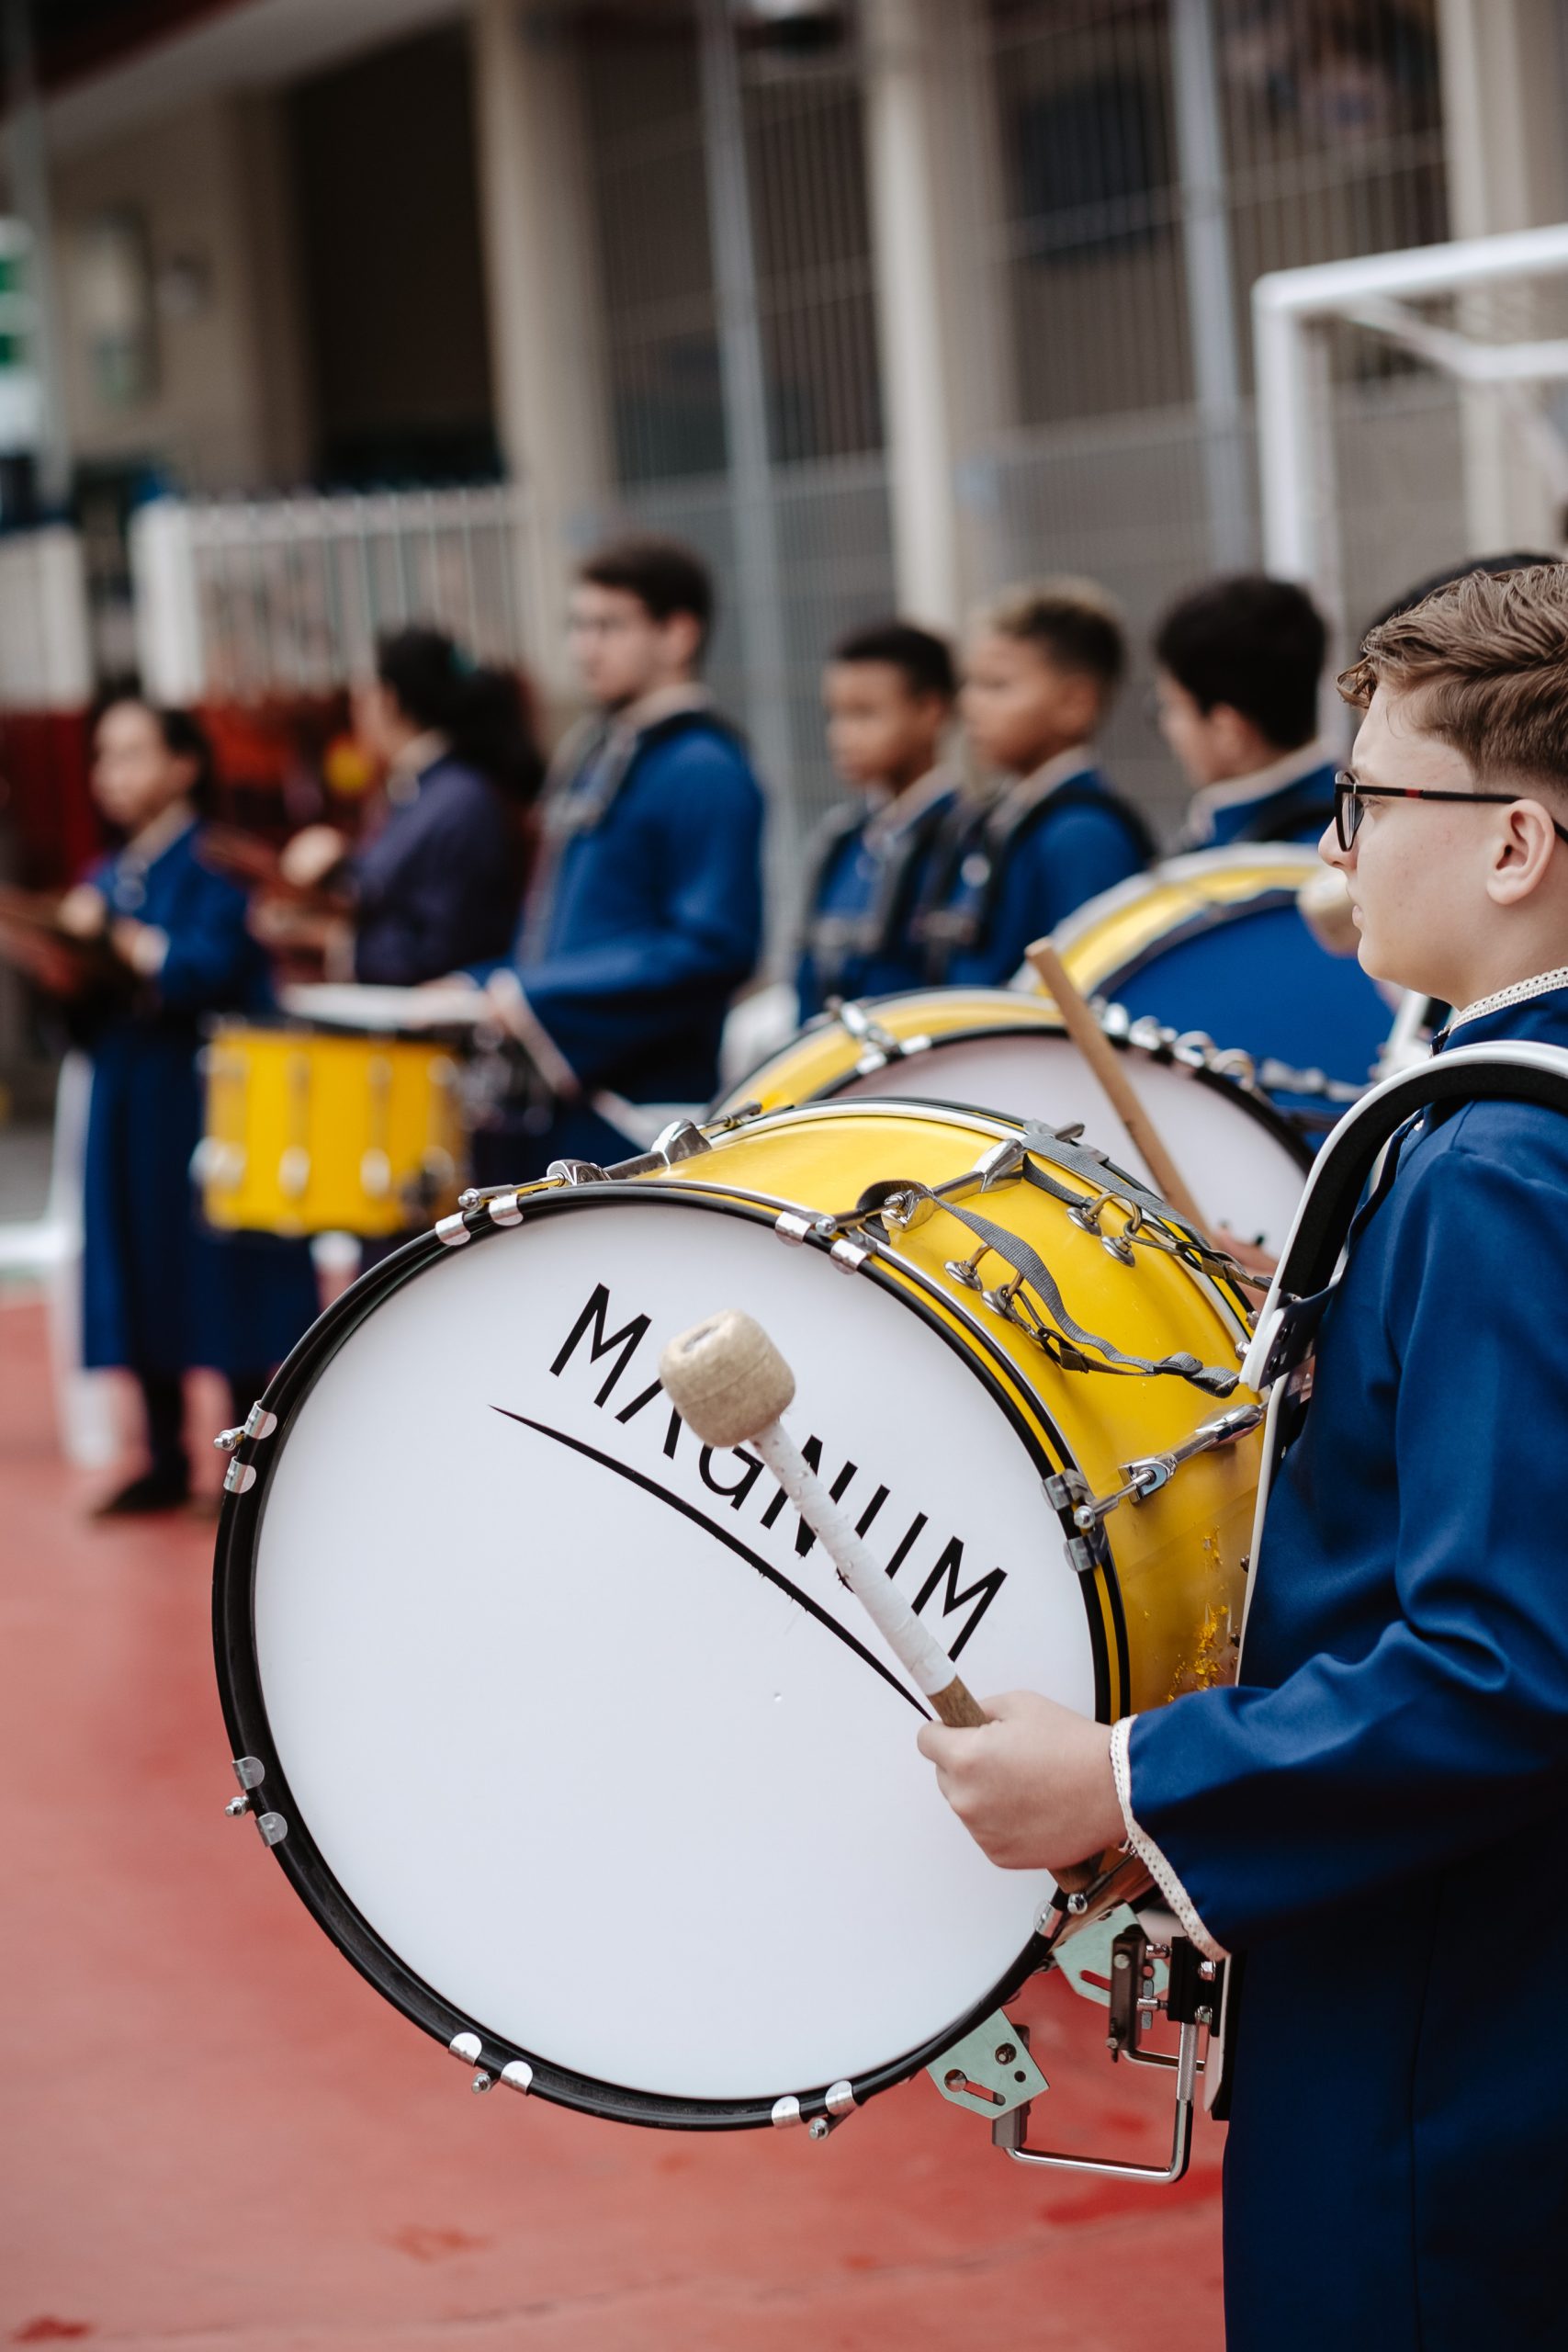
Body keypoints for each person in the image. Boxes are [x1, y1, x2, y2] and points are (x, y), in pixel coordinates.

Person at [915, 560, 1568, 2348]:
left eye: (1370, 799)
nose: (1332, 845)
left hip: (1464, 2026)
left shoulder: (1498, 1165)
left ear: (1513, 845)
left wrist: (1131, 1777)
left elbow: (1507, 1664)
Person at [55, 695, 320, 1515]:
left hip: (209, 1093)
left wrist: (126, 945)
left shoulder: (217, 863)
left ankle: (248, 1448)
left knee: (223, 1263)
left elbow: (211, 970)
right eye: (104, 756)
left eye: (132, 753)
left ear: (184, 764)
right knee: (139, 1257)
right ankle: (162, 1454)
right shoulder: (103, 876)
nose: (113, 774)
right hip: (128, 1092)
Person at [466, 536, 764, 1179]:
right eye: (576, 625)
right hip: (568, 1104)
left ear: (678, 634)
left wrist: (531, 997)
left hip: (638, 1119)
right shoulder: (602, 751)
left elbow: (715, 946)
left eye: (608, 626)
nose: (583, 647)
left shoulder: (703, 766)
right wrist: (481, 986)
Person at [918, 579, 1150, 986]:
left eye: (997, 685)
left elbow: (1091, 992)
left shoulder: (1082, 835)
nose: (969, 706)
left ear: (1075, 703)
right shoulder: (993, 820)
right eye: (969, 684)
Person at [277, 627, 538, 983]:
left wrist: (328, 939)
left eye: (359, 700)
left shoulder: (459, 799)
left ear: (389, 700)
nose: (355, 717)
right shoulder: (418, 791)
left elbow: (445, 945)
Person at [795, 620, 958, 1021]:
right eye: (835, 715)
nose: (841, 735)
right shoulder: (842, 837)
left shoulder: (967, 839)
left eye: (864, 714)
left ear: (930, 710)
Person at [1152, 573, 1337, 845]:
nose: (1166, 727)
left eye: (1173, 707)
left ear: (1230, 732)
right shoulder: (1349, 829)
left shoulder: (1238, 866)